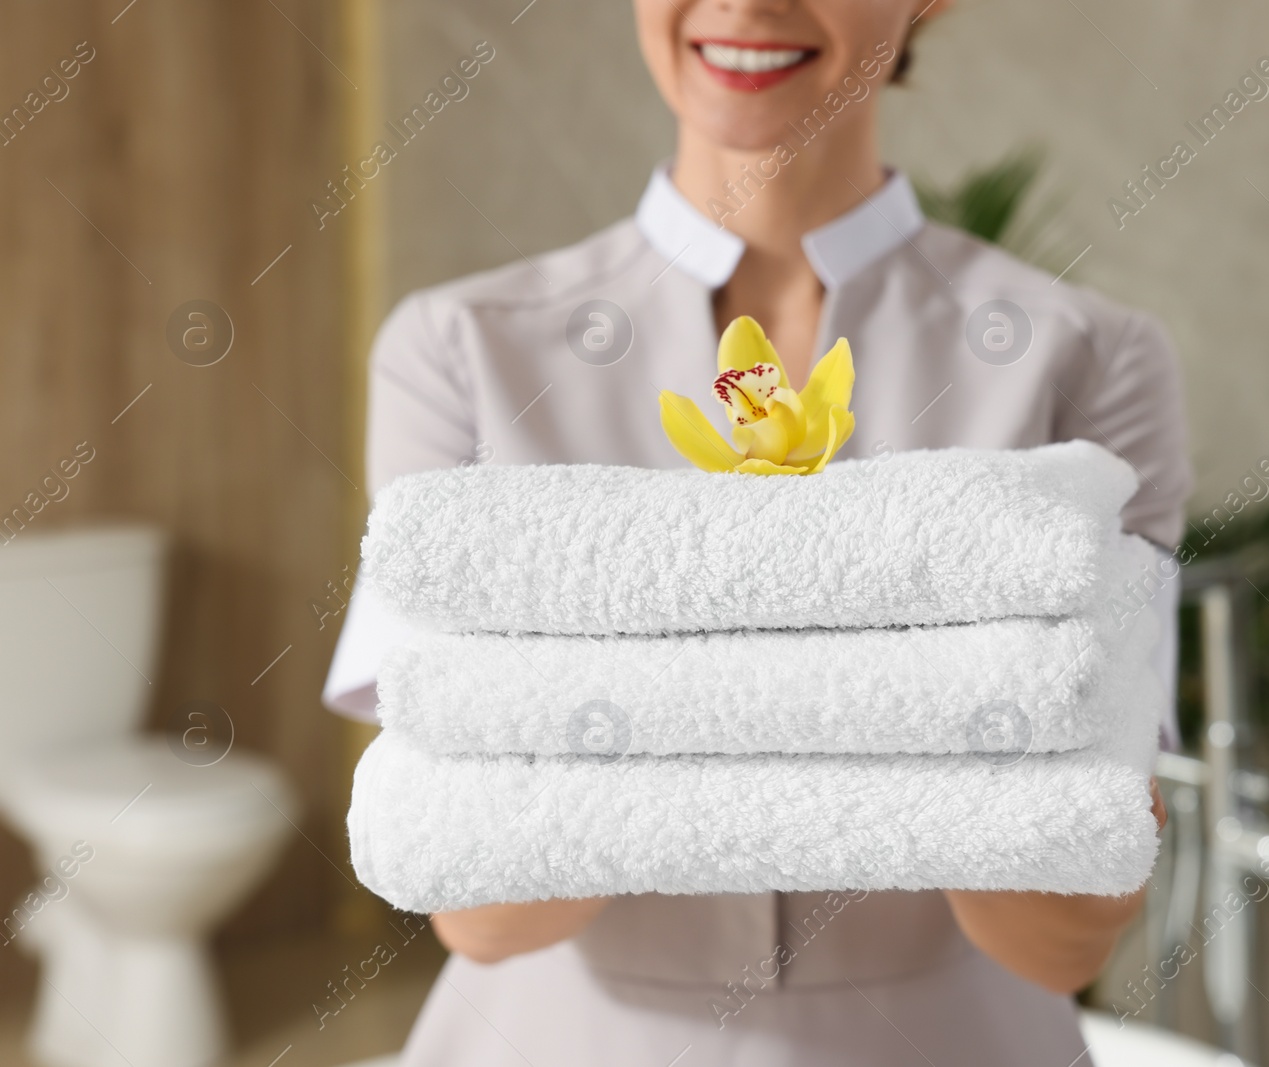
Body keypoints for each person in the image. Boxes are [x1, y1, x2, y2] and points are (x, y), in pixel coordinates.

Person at [323, 0, 1192, 1061]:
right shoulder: (454, 350)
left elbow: (1065, 935)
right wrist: (935, 705)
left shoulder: (1093, 362)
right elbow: (485, 910)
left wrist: (625, 703)